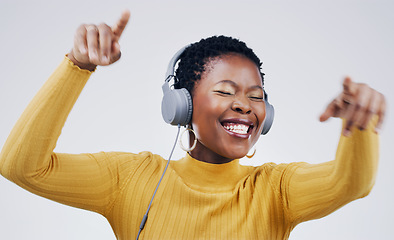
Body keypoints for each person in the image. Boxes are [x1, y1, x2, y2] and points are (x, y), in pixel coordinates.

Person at [0, 10, 386, 240]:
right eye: (225, 91)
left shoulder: (275, 190)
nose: (245, 106)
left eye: (256, 95)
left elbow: (351, 183)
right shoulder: (130, 179)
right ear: (181, 105)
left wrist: (362, 127)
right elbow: (22, 167)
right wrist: (77, 67)